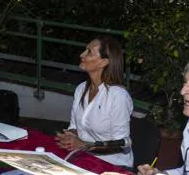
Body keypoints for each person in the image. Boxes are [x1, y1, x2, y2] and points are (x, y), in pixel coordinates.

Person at [55, 37, 134, 168]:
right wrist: (70, 137)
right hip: (84, 158)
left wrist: (83, 145)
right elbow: (74, 126)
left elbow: (121, 144)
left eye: (89, 52)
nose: (82, 55)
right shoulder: (81, 89)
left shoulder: (118, 96)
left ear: (103, 62)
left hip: (113, 166)